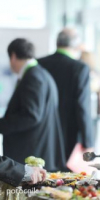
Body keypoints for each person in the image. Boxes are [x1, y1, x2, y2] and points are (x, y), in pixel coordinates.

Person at [0, 38, 66, 172]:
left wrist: (2, 125)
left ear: (13, 56)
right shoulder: (41, 74)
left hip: (31, 152)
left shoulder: (33, 77)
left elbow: (31, 116)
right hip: (38, 149)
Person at [38, 28, 94, 162]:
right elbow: (82, 106)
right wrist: (88, 141)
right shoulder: (80, 68)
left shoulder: (40, 63)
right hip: (68, 132)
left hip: (42, 131)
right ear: (76, 45)